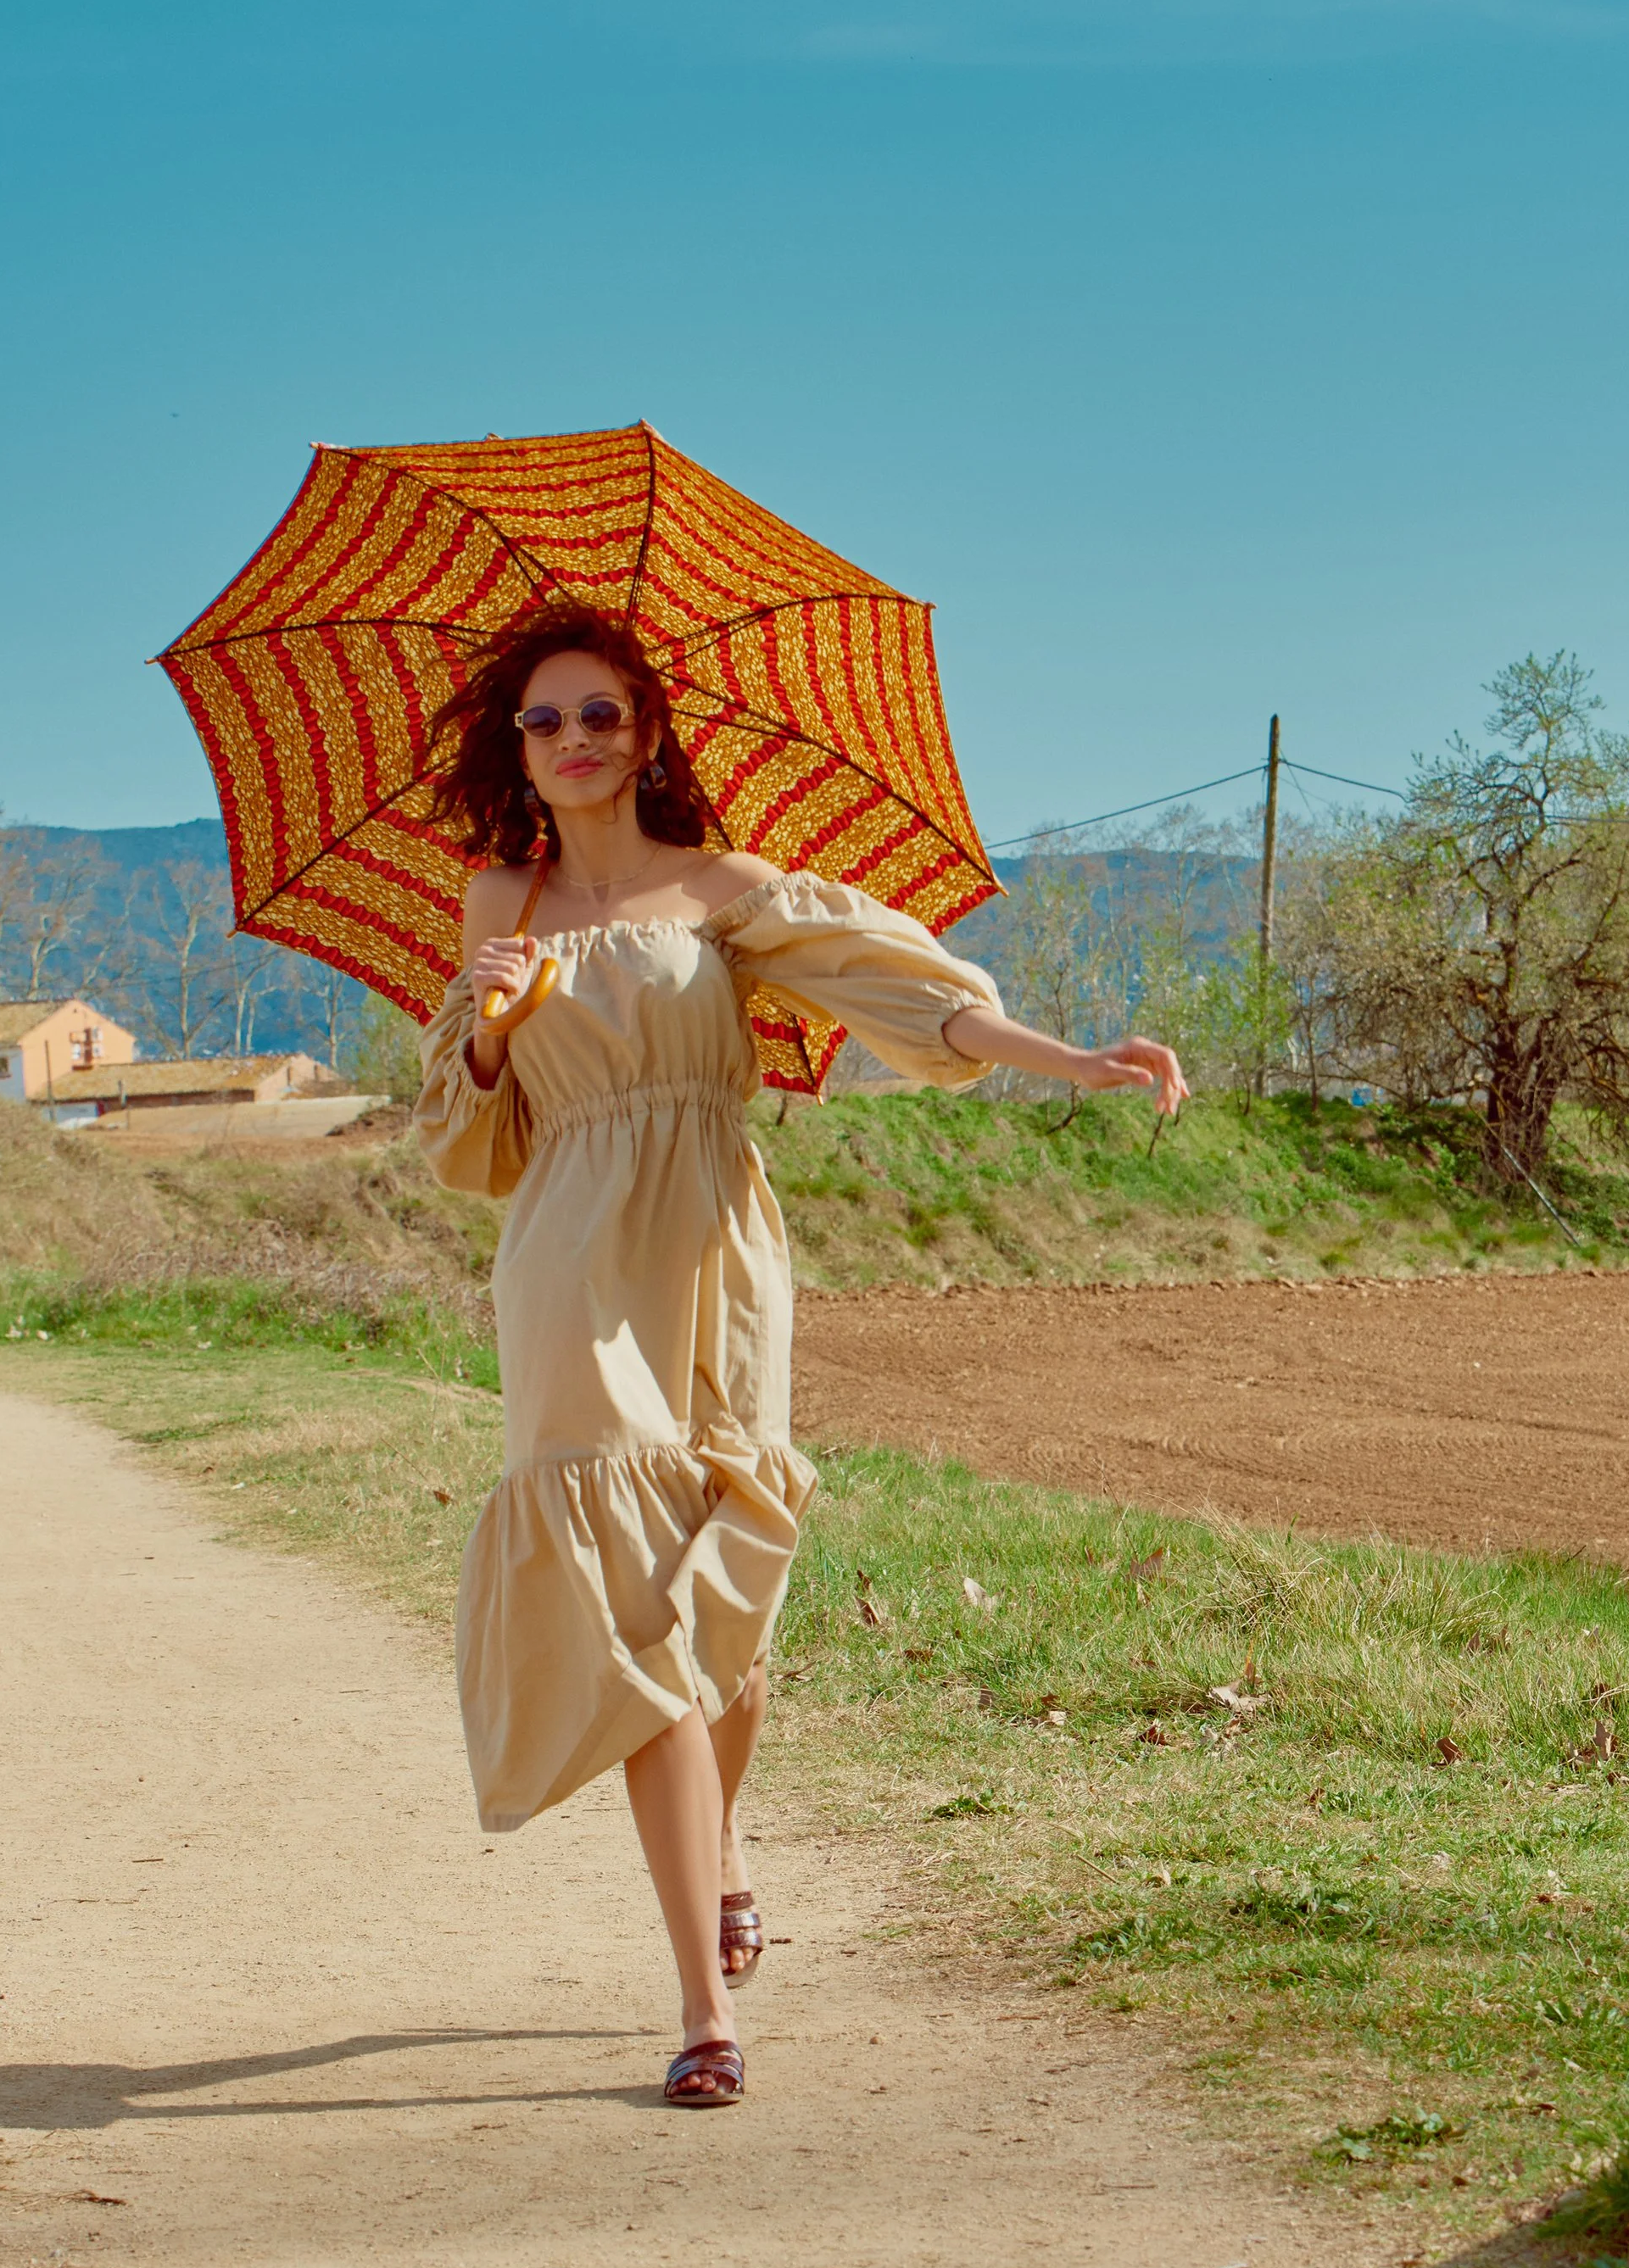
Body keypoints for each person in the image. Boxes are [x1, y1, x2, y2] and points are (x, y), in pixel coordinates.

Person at [413, 604, 1187, 2106]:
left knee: (732, 1598)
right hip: (571, 1258)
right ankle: (704, 2009)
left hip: (716, 1242)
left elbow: (909, 996)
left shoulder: (726, 889)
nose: (574, 740)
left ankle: (724, 1848)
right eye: (546, 720)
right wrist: (495, 1029)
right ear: (517, 746)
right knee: (638, 1610)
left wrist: (1077, 1058)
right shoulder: (495, 901)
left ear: (646, 732)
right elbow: (464, 1135)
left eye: (602, 713)